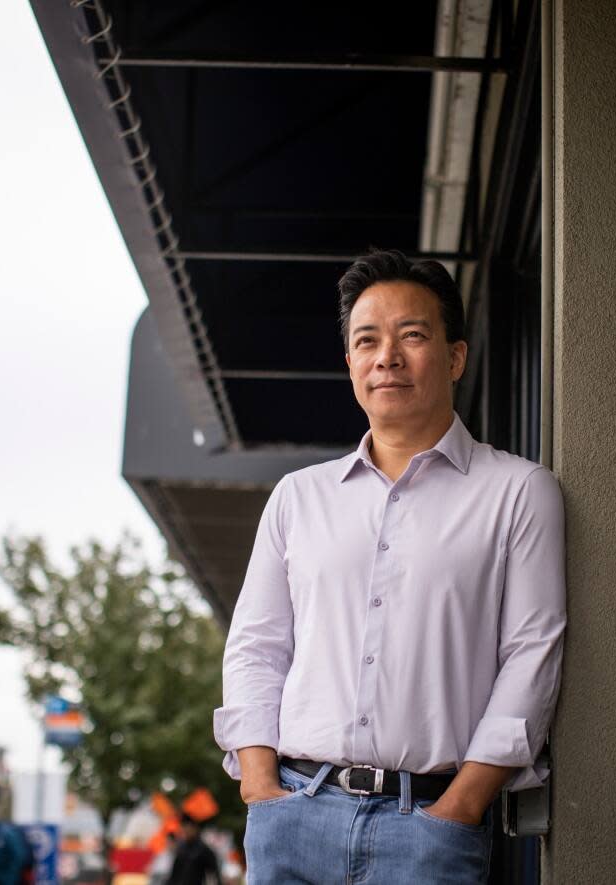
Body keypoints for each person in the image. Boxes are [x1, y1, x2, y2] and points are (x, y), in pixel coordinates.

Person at [213, 249, 566, 883]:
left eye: (412, 335)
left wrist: (462, 805)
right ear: (350, 361)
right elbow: (256, 648)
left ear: (455, 356)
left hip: (431, 825)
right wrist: (260, 787)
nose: (387, 357)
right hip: (294, 815)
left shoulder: (518, 491)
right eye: (367, 340)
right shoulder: (299, 496)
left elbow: (531, 655)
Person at [164, 814, 220, 885]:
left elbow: (214, 875)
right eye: (183, 827)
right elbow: (174, 876)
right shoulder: (181, 849)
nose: (185, 830)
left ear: (195, 828)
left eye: (187, 827)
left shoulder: (204, 850)